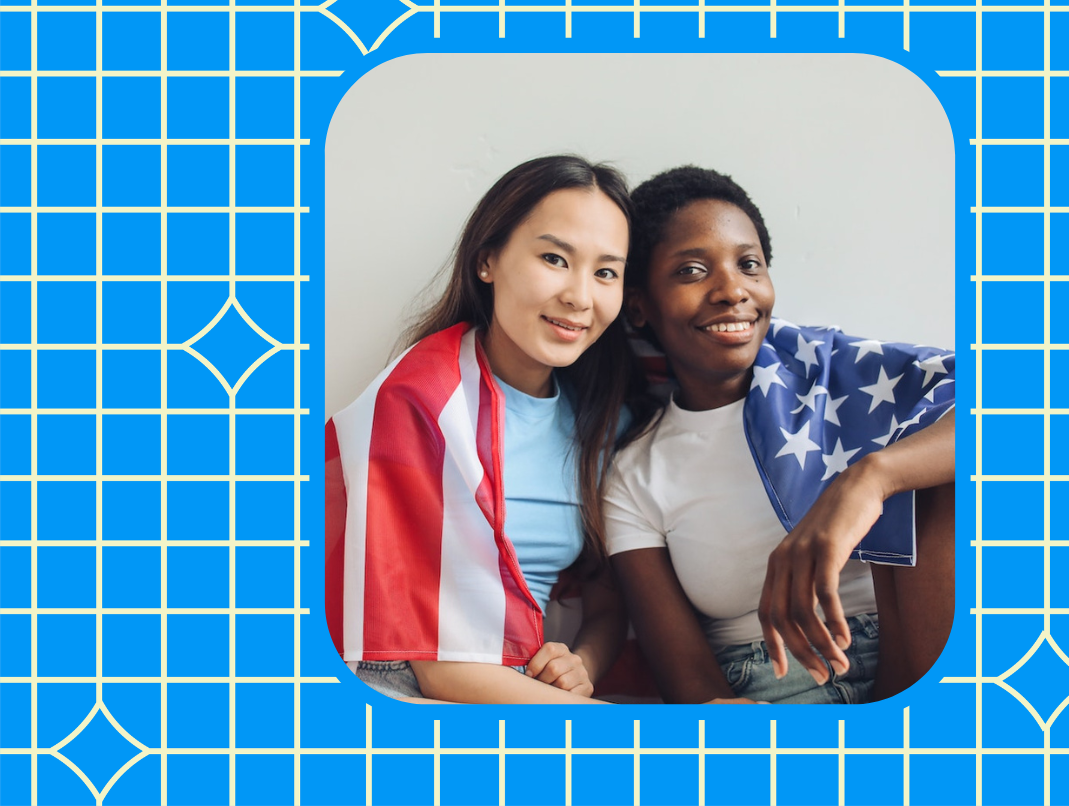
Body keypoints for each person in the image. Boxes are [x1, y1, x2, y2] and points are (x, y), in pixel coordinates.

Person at [606, 166, 955, 703]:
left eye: (750, 265)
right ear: (639, 305)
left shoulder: (842, 376)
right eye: (692, 271)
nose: (732, 290)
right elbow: (689, 684)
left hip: (913, 663)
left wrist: (870, 477)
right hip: (777, 698)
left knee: (944, 478)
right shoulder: (635, 473)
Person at [325, 155, 641, 704]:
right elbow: (442, 670)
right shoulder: (420, 406)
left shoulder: (603, 424)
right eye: (554, 258)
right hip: (403, 686)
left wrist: (581, 662)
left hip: (520, 690)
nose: (580, 296)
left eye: (605, 272)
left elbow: (607, 597)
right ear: (487, 261)